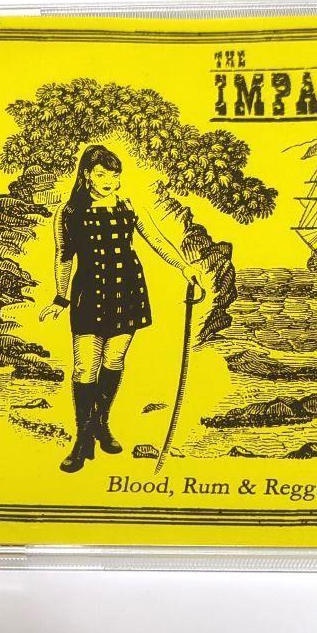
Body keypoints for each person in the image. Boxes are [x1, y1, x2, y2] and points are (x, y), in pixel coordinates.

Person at [40, 144, 194, 472]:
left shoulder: (128, 205)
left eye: (114, 175)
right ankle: (83, 439)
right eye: (101, 174)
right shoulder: (68, 212)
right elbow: (63, 257)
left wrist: (184, 267)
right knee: (84, 368)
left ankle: (101, 423)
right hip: (88, 293)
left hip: (127, 290)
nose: (109, 181)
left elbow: (157, 240)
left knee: (113, 360)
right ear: (86, 175)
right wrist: (60, 298)